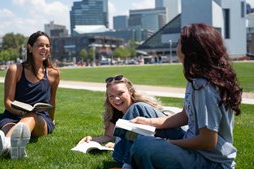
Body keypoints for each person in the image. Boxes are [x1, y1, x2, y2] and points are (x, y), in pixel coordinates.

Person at [130, 23, 243, 169]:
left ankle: (130, 161)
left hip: (211, 162)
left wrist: (168, 143)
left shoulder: (204, 87)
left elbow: (208, 141)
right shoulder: (196, 79)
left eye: (179, 43)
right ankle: (127, 163)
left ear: (190, 50)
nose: (177, 46)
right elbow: (185, 115)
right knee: (139, 109)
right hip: (193, 147)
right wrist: (149, 122)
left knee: (143, 145)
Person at [0, 31, 60, 160]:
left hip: (40, 119)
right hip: (13, 114)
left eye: (47, 46)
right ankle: (7, 145)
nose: (45, 49)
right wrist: (20, 113)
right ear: (30, 47)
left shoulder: (54, 73)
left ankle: (4, 145)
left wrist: (51, 121)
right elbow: (8, 101)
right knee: (10, 127)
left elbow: (52, 102)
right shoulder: (15, 70)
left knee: (31, 116)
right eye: (40, 45)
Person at [78, 75, 181, 169]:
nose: (116, 99)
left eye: (120, 93)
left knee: (136, 108)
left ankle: (126, 165)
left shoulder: (141, 106)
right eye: (111, 96)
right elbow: (109, 136)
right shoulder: (115, 112)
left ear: (130, 91)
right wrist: (92, 139)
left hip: (176, 134)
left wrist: (116, 144)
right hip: (155, 144)